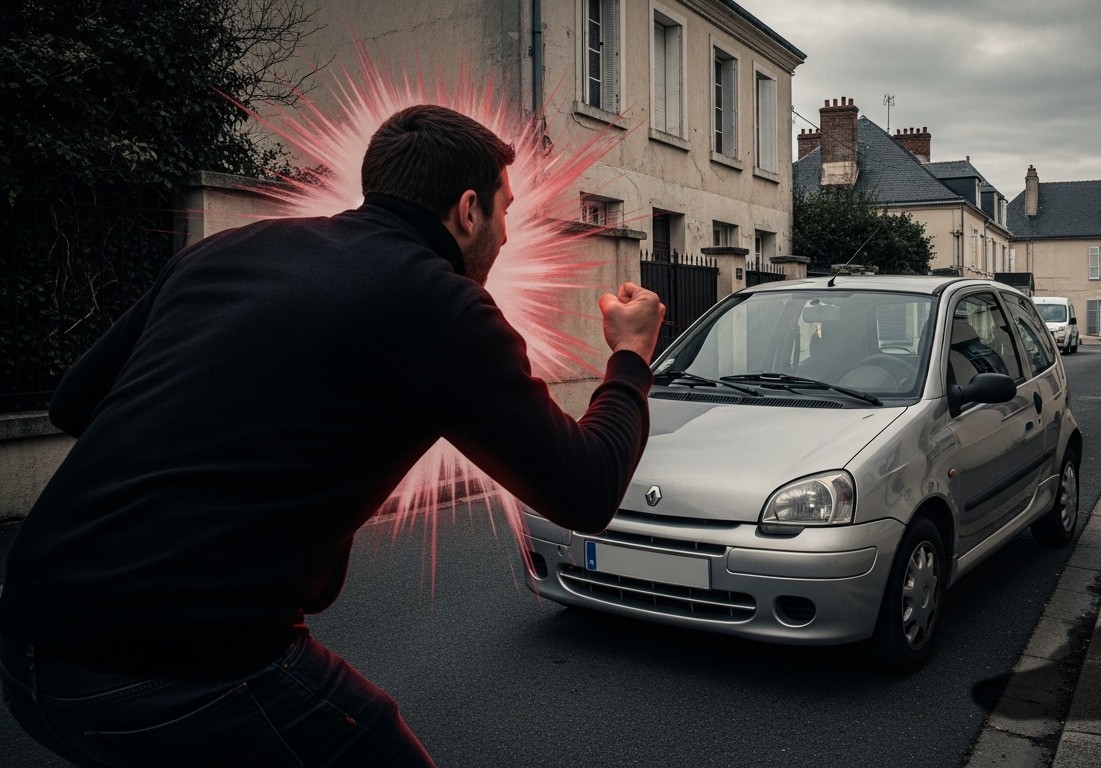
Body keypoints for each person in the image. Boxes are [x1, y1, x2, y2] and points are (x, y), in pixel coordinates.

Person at [0, 104, 664, 766]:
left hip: (25, 639)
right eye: (506, 210)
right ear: (468, 211)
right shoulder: (440, 305)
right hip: (175, 670)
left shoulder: (228, 250)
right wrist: (631, 357)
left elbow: (75, 403)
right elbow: (586, 488)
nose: (508, 234)